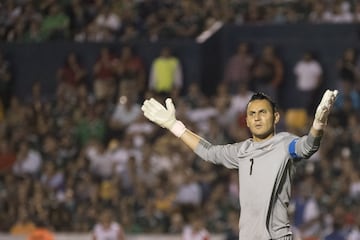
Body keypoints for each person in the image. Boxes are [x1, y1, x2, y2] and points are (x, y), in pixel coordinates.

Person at [141, 89, 338, 240]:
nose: (257, 117)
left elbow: (307, 146)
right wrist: (174, 126)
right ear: (247, 121)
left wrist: (318, 125)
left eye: (263, 112)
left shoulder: (285, 144)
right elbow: (209, 152)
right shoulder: (241, 151)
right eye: (252, 114)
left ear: (276, 117)